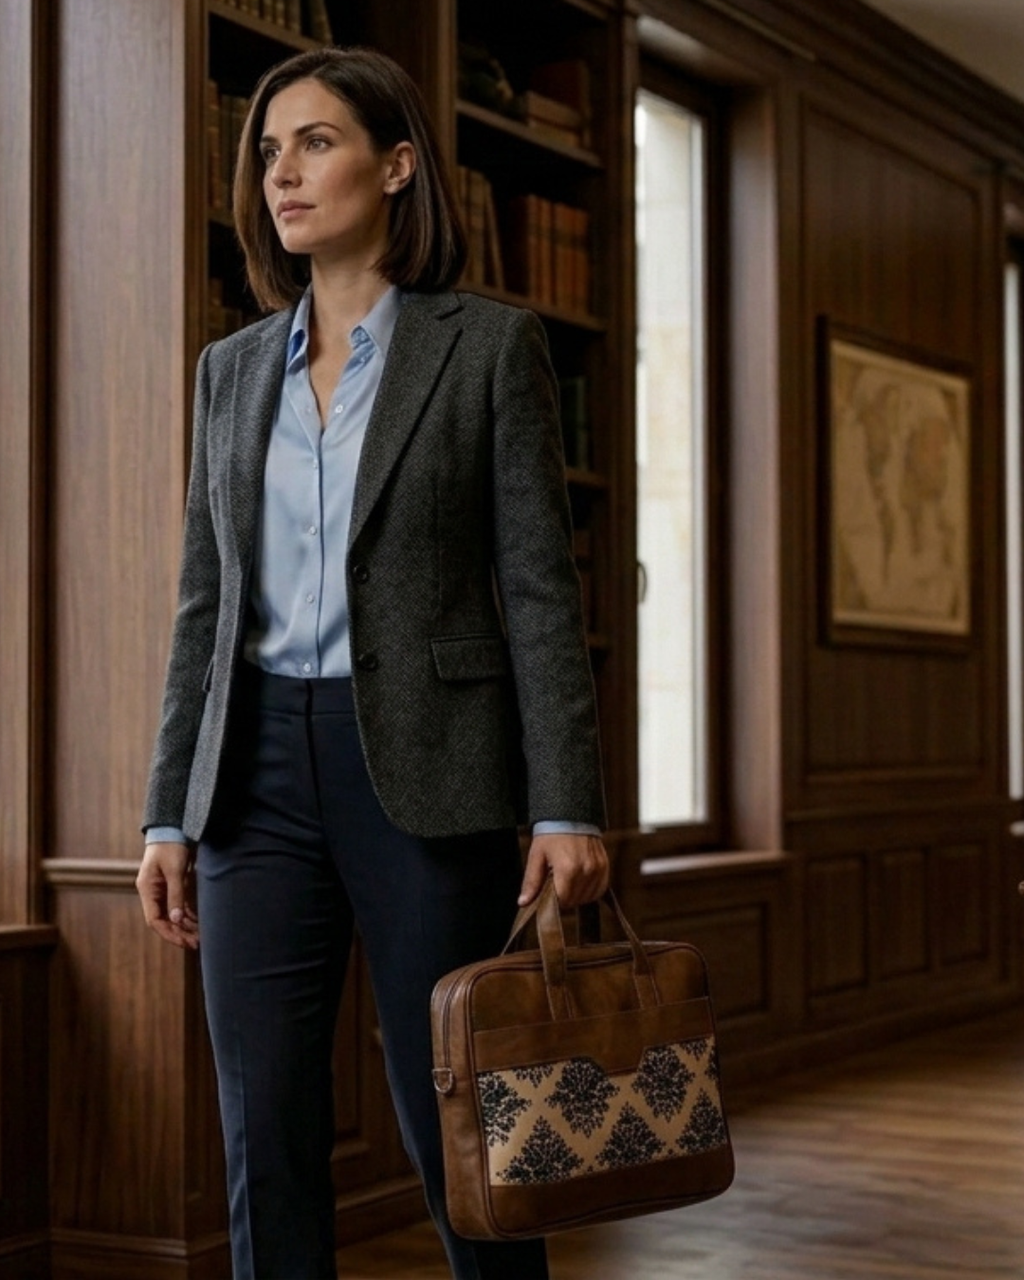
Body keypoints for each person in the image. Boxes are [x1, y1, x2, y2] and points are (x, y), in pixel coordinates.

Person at [136, 45, 609, 1280]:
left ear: (397, 166)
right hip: (252, 775)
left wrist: (565, 802)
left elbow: (540, 592)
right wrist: (167, 811)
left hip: (428, 768)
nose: (281, 173)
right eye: (268, 150)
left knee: (459, 1124)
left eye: (316, 142)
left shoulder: (487, 348)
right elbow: (203, 603)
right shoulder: (232, 370)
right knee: (266, 1130)